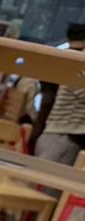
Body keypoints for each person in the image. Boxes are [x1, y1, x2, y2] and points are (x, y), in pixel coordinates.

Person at [31, 22, 85, 165]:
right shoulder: (77, 66)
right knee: (45, 176)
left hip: (58, 133)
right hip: (62, 136)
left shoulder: (62, 60)